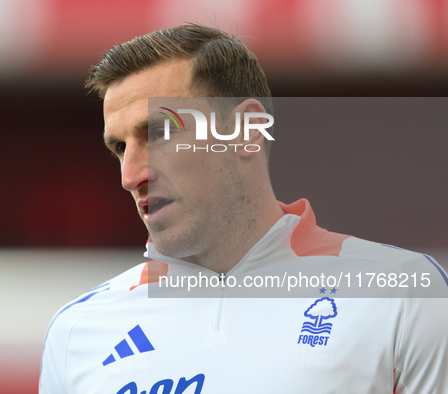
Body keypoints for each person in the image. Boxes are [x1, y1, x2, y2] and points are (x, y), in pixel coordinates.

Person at [39, 24, 448, 393]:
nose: (131, 175)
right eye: (120, 148)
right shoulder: (77, 333)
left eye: (159, 133)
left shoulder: (403, 293)